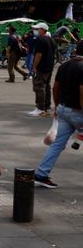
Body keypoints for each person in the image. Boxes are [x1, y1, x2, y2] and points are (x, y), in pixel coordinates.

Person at [34, 40, 83, 189]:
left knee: (57, 144)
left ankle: (41, 174)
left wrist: (57, 105)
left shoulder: (65, 65)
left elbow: (56, 87)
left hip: (63, 109)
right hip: (77, 111)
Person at [28, 22, 56, 117]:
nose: (35, 31)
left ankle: (40, 108)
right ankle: (46, 107)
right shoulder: (51, 40)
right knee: (46, 87)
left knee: (39, 87)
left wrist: (34, 66)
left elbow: (38, 54)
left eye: (37, 29)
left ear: (43, 30)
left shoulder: (40, 40)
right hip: (49, 67)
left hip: (41, 67)